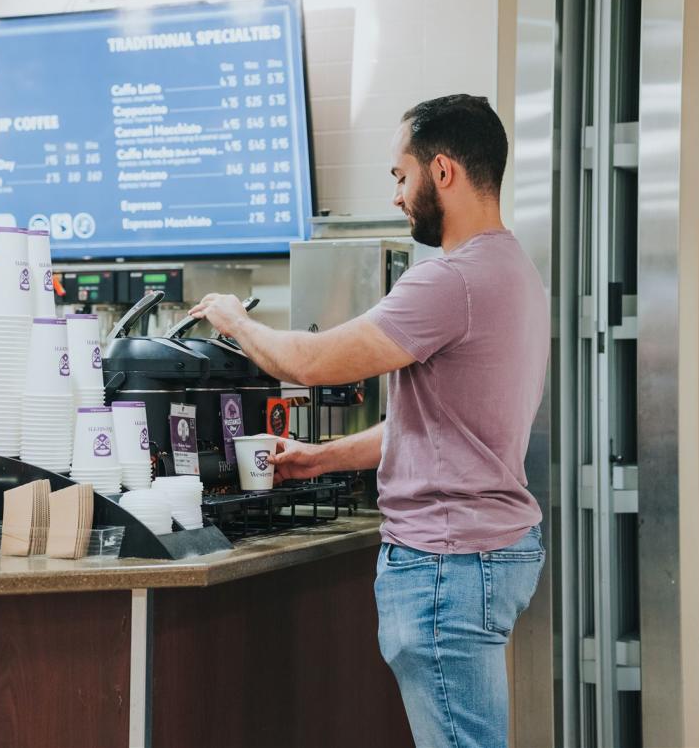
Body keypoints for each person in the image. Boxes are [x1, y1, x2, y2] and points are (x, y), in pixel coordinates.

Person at [189, 95, 547, 748]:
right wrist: (319, 456)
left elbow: (316, 361)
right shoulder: (513, 271)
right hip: (485, 553)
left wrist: (233, 319)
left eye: (399, 175)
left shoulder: (453, 281)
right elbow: (443, 427)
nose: (396, 195)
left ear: (443, 172)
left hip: (446, 561)